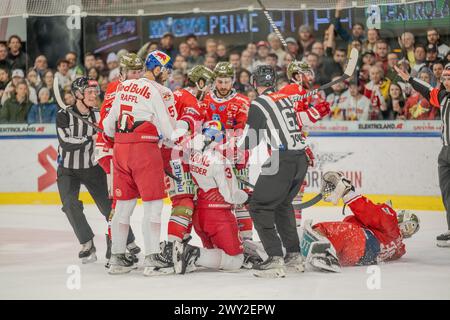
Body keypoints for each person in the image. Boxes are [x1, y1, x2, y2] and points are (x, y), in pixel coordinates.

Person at [237, 64, 331, 278]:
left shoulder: (259, 103)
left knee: (259, 206)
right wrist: (315, 110)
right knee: (282, 205)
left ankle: (274, 258)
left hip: (282, 159)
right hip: (300, 158)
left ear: (254, 83)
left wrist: (234, 152)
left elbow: (253, 138)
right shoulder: (285, 99)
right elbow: (297, 122)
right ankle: (294, 254)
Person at [102, 50, 180, 275]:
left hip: (120, 150)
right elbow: (168, 130)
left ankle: (117, 257)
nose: (168, 74)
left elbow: (108, 126)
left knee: (123, 205)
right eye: (166, 69)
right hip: (144, 150)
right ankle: (152, 258)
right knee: (154, 205)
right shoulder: (158, 90)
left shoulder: (121, 87)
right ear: (156, 69)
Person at [299, 171, 420, 272]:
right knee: (339, 240)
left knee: (325, 229)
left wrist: (347, 192)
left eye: (410, 227)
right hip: (359, 259)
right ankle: (329, 255)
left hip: (361, 240)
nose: (407, 229)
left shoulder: (390, 218)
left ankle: (322, 254)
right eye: (408, 225)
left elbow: (370, 212)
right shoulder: (399, 248)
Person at [158, 65, 215, 273]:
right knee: (183, 200)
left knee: (187, 199)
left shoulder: (187, 98)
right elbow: (185, 124)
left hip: (178, 154)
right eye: (207, 84)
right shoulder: (187, 98)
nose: (209, 89)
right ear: (199, 82)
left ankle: (179, 241)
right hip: (174, 155)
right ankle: (173, 247)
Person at [173, 120, 249, 274]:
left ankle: (195, 255)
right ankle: (192, 254)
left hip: (200, 215)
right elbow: (231, 196)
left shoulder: (193, 155)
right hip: (218, 216)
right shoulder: (220, 161)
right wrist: (247, 197)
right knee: (236, 261)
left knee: (216, 252)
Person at [56, 77, 115, 264]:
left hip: (93, 168)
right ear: (77, 95)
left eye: (94, 92)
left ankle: (125, 242)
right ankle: (87, 243)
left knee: (108, 207)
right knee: (70, 204)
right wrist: (91, 137)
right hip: (68, 170)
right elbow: (65, 142)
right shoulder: (63, 114)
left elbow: (111, 136)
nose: (93, 95)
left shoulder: (99, 115)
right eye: (88, 92)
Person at [95, 53, 144, 266]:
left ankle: (120, 247)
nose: (137, 75)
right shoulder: (116, 88)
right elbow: (109, 123)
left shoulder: (140, 87)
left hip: (124, 150)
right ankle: (113, 252)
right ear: (123, 73)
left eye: (139, 71)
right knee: (119, 202)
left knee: (125, 201)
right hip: (111, 151)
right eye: (133, 71)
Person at [394, 63, 450, 247]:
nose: (447, 81)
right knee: (447, 193)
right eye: (445, 78)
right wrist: (409, 79)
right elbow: (427, 90)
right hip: (445, 151)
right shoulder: (442, 96)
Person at [203, 61, 253, 241]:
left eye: (226, 81)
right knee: (214, 199)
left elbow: (243, 132)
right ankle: (220, 239)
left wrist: (234, 151)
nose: (223, 86)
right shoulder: (205, 99)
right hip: (210, 158)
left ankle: (247, 241)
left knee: (239, 200)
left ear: (232, 81)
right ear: (214, 81)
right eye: (219, 81)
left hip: (235, 156)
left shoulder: (242, 102)